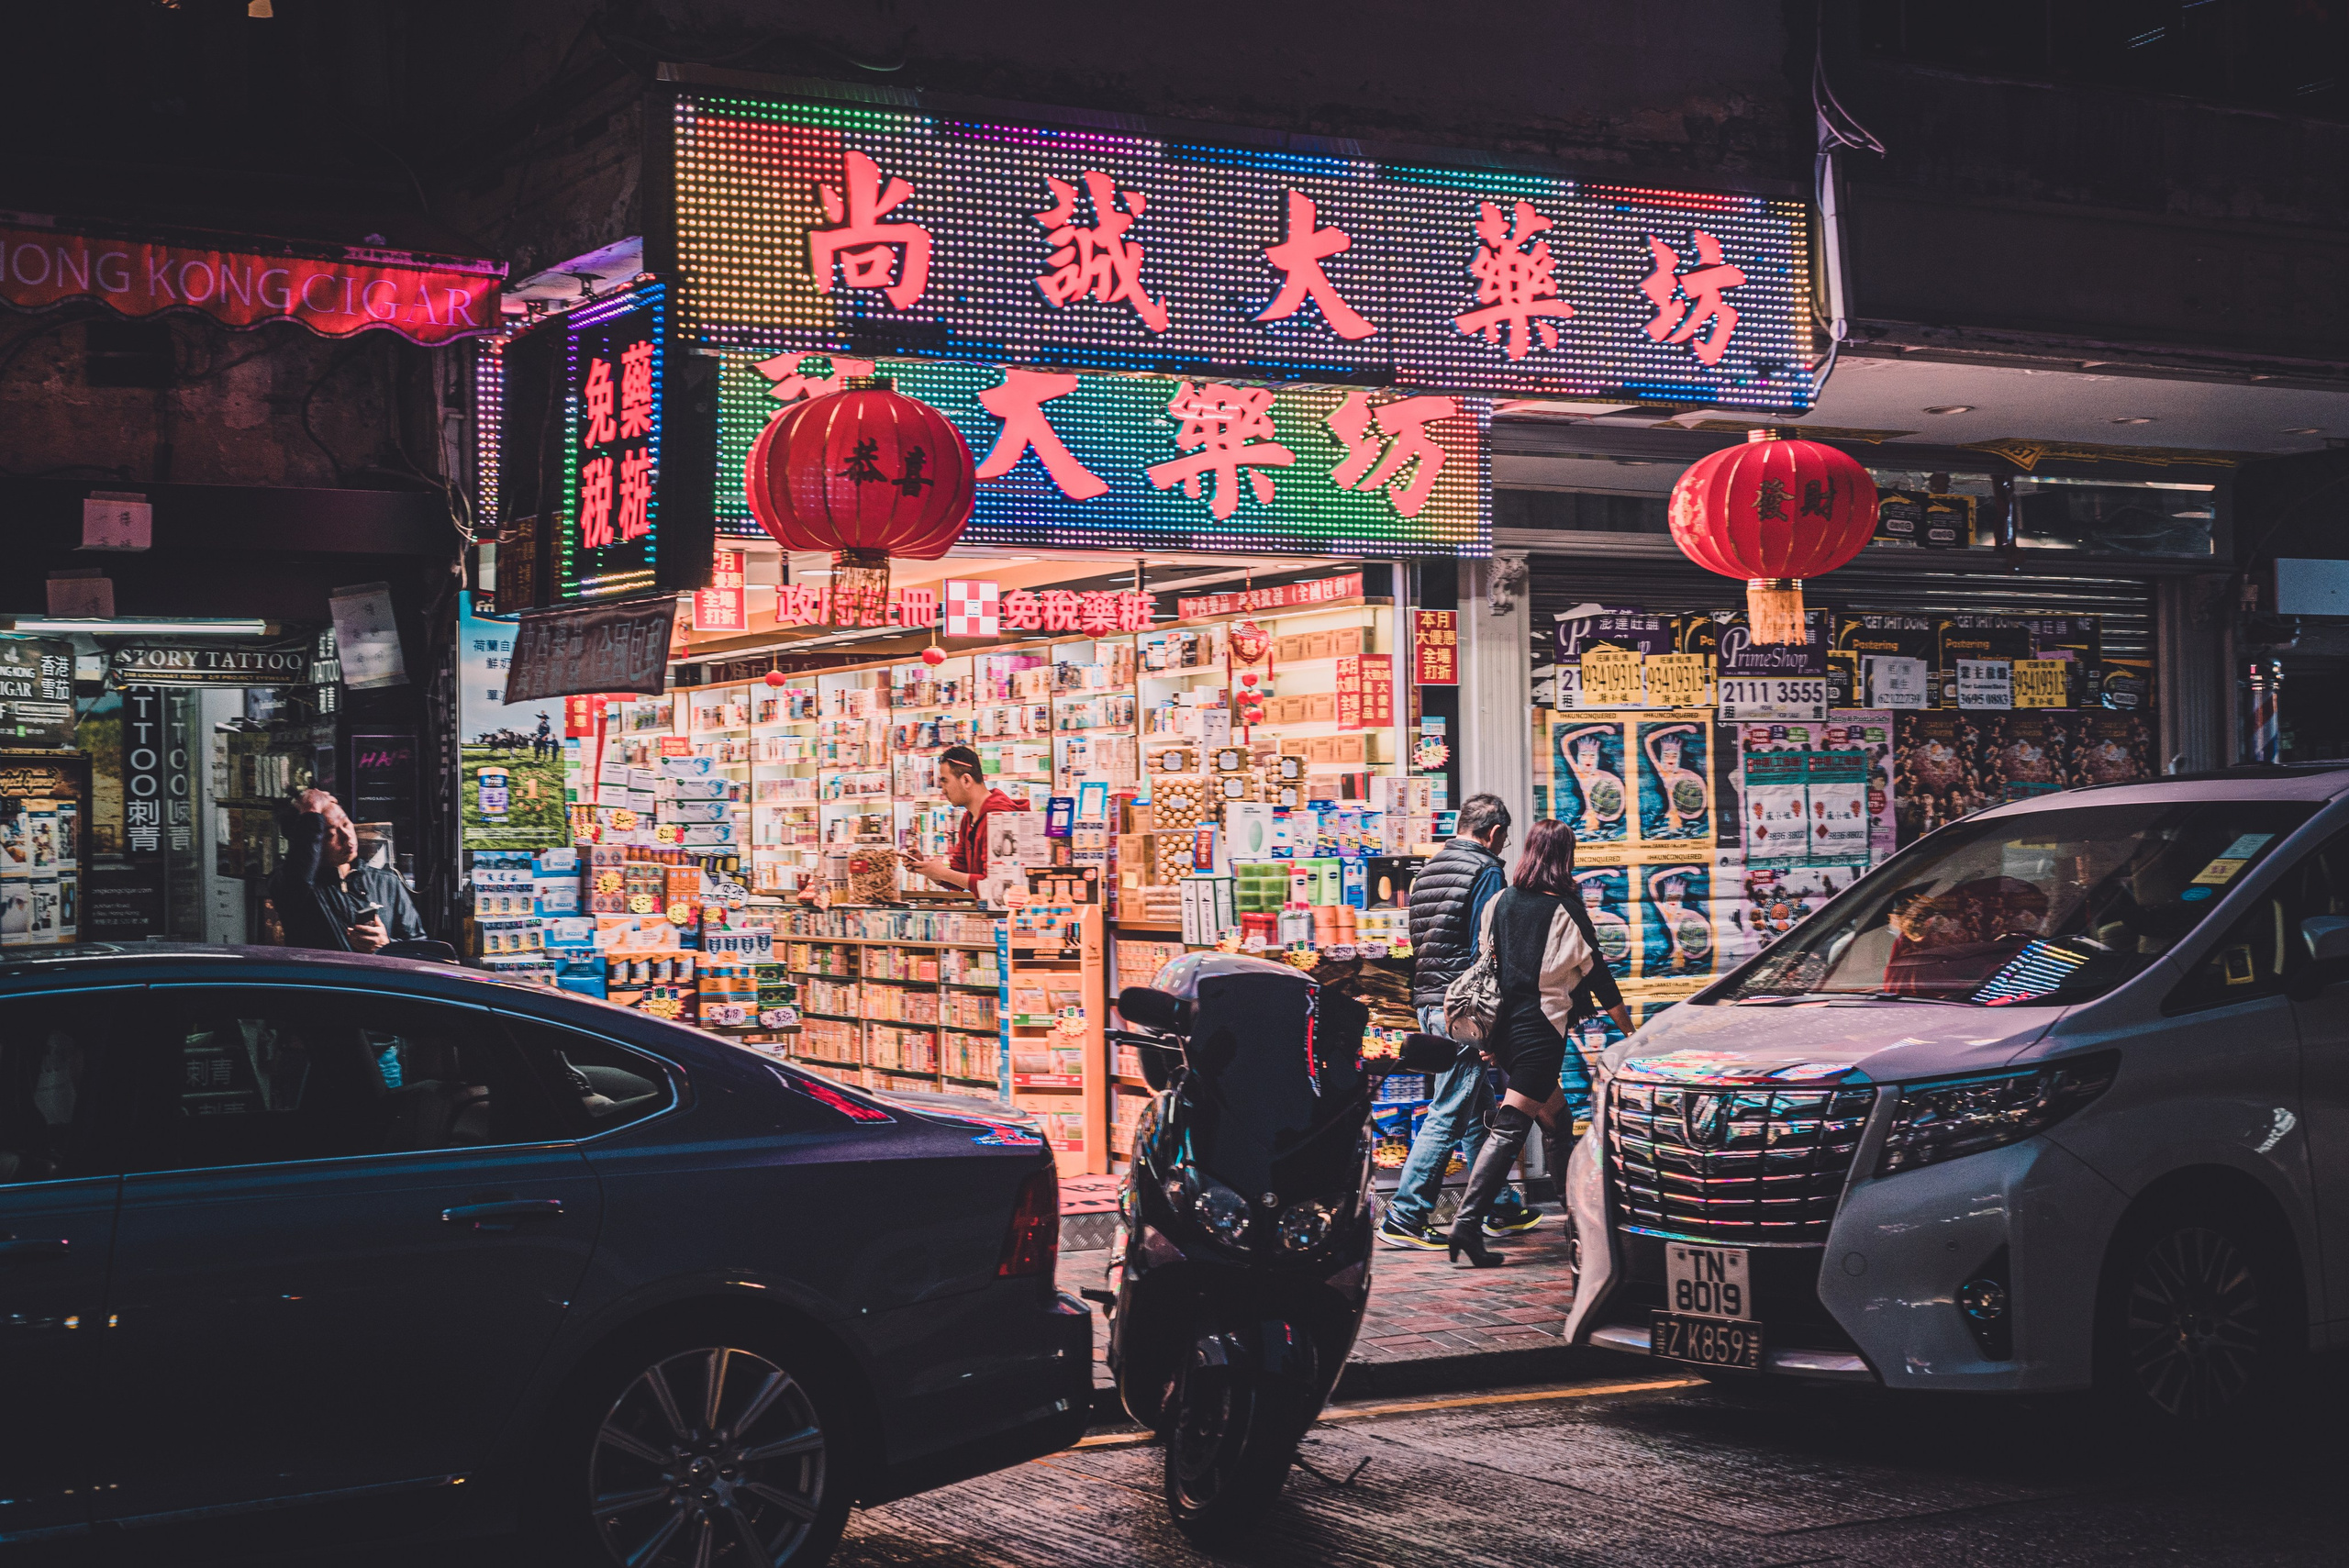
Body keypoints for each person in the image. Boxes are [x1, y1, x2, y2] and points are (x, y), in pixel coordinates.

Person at [1449, 818, 1631, 1267]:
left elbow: (1485, 970)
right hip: (1540, 1032)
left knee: (1557, 1121)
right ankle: (1467, 1225)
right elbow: (1600, 979)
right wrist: (1632, 1034)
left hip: (1505, 1030)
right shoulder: (1566, 910)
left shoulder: (1500, 902)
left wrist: (1490, 1039)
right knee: (1512, 1125)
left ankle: (1576, 1219)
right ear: (1564, 858)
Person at [1380, 794, 1539, 1250]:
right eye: (1504, 839)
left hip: (1430, 1001)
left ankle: (1499, 1206)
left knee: (1471, 1109)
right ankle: (1405, 1216)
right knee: (1450, 1110)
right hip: (1464, 1006)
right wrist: (1492, 1021)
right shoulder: (1485, 869)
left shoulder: (1429, 869)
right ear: (1493, 833)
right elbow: (1488, 949)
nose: (1503, 848)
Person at [263, 789, 426, 953]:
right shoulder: (290, 885)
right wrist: (312, 811)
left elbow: (418, 947)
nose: (347, 837)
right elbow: (297, 882)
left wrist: (387, 945)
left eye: (346, 823)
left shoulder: (386, 882)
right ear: (309, 838)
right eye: (329, 835)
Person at [898, 745, 1030, 894]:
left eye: (945, 781)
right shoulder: (969, 818)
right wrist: (924, 867)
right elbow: (959, 872)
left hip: (1009, 914)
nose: (943, 790)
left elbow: (997, 885)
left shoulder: (1000, 817)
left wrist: (943, 873)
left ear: (966, 780)